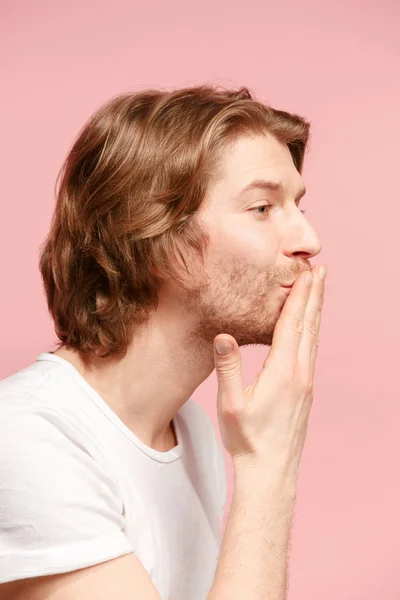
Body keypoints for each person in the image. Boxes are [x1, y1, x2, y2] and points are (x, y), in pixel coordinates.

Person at [0, 85, 326, 600]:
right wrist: (267, 465)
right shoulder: (25, 437)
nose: (309, 239)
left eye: (297, 205)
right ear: (153, 237)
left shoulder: (191, 432)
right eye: (262, 208)